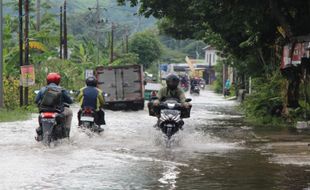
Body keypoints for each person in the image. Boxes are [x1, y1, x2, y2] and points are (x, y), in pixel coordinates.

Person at [35, 73, 73, 141]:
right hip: (57, 112)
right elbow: (70, 101)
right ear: (58, 81)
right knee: (70, 112)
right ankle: (67, 134)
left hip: (44, 112)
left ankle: (40, 131)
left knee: (40, 119)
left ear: (47, 80)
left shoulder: (42, 89)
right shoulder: (62, 90)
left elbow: (36, 100)